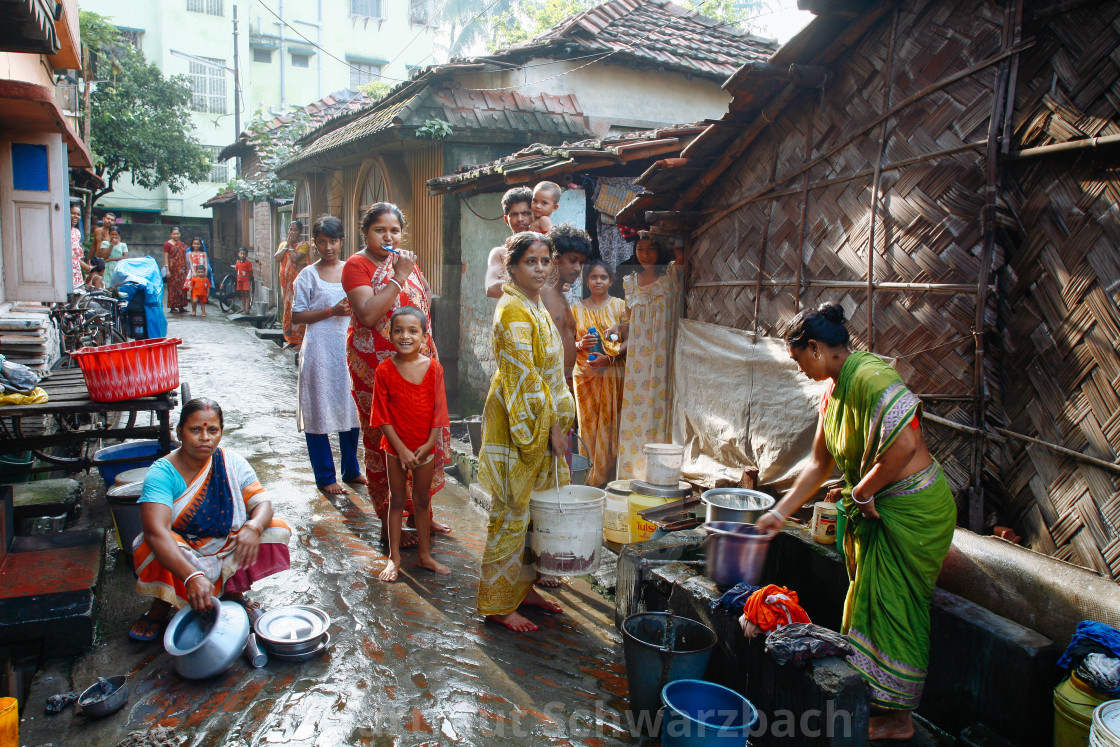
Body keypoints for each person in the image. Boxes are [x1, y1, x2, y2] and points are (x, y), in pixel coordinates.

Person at [755, 304, 956, 742]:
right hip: (883, 509)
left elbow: (905, 442)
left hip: (914, 510)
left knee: (899, 608)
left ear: (815, 348)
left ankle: (900, 720)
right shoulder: (834, 391)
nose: (799, 368)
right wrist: (778, 513)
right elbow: (818, 463)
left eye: (798, 359)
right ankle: (882, 707)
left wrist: (862, 491)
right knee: (873, 604)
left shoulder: (869, 376)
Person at [476, 232, 575, 633]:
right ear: (512, 267)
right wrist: (552, 427)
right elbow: (527, 382)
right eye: (530, 261)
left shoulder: (533, 305)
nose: (539, 268)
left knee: (534, 514)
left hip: (543, 423)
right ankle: (497, 604)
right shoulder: (513, 310)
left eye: (544, 260)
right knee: (511, 513)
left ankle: (525, 588)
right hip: (521, 426)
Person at [129, 398, 292, 641]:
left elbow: (263, 504)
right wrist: (192, 576)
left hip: (224, 542)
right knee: (147, 544)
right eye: (196, 429)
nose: (205, 437)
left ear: (220, 433)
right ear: (179, 432)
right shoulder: (162, 472)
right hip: (182, 548)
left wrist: (254, 527)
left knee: (275, 529)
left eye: (212, 430)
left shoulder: (231, 462)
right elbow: (156, 531)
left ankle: (235, 594)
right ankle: (162, 604)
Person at [342, 202, 452, 544]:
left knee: (422, 438)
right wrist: (398, 276)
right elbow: (368, 315)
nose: (388, 237)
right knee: (385, 443)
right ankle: (389, 521)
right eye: (379, 230)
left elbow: (425, 306)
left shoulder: (406, 259)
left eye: (394, 230)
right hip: (378, 370)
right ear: (365, 232)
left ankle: (424, 514)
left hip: (418, 368)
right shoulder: (356, 265)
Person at [372, 306, 452, 583]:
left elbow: (439, 411)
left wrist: (430, 442)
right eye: (398, 330)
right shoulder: (383, 370)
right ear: (390, 334)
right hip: (396, 449)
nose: (405, 336)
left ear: (424, 336)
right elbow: (381, 416)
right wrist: (402, 450)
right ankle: (394, 559)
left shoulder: (434, 369)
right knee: (395, 501)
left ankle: (424, 556)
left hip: (425, 448)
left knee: (421, 501)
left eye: (412, 331)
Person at [290, 215, 362, 496]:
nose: (328, 247)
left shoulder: (352, 271)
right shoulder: (306, 275)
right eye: (322, 241)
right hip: (319, 350)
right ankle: (324, 476)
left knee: (350, 406)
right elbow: (296, 316)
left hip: (347, 347)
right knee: (318, 409)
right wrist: (331, 311)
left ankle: (352, 470)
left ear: (341, 241)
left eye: (333, 241)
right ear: (314, 243)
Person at [612, 231, 679, 481]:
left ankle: (659, 474)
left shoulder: (671, 275)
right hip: (639, 357)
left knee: (660, 406)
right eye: (640, 248)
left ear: (660, 250)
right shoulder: (629, 282)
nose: (645, 254)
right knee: (635, 410)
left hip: (663, 352)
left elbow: (682, 255)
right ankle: (632, 473)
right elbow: (629, 322)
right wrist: (617, 331)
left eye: (651, 248)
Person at [571, 260, 628, 487]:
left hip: (612, 374)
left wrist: (611, 357)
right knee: (587, 426)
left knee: (610, 424)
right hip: (584, 375)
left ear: (611, 281)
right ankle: (589, 477)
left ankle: (608, 478)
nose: (598, 281)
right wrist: (580, 344)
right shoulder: (576, 309)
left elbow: (633, 339)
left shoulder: (620, 306)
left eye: (603, 277)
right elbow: (567, 343)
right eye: (594, 277)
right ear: (587, 280)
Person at [485, 187, 534, 299]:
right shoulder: (500, 253)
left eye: (526, 213)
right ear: (506, 219)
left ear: (534, 215)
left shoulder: (546, 250)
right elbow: (491, 289)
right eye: (514, 214)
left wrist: (508, 281)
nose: (520, 219)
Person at [275, 220, 310, 348]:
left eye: (295, 230)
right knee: (287, 310)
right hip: (286, 286)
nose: (292, 232)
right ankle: (290, 338)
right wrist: (287, 246)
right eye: (290, 229)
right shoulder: (283, 244)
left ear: (300, 232)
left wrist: (290, 247)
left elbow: (296, 258)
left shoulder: (304, 245)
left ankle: (299, 341)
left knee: (298, 308)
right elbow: (277, 258)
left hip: (297, 285)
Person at [163, 227, 189, 312]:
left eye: (177, 234)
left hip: (182, 269)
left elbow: (186, 256)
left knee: (182, 287)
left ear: (180, 234)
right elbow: (166, 257)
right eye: (174, 234)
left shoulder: (182, 244)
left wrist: (187, 268)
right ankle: (173, 307)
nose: (176, 235)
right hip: (172, 269)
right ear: (171, 234)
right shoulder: (167, 244)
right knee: (173, 287)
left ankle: (181, 306)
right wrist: (167, 269)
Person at [70, 204, 89, 290]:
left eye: (78, 214)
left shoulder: (77, 232)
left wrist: (87, 267)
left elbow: (75, 257)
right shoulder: (61, 229)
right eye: (73, 213)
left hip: (75, 270)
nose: (76, 216)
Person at [235, 247, 253, 312]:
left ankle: (247, 309)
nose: (242, 255)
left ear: (247, 255)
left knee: (247, 294)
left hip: (246, 280)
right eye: (241, 253)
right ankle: (243, 308)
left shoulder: (248, 263)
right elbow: (236, 270)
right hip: (239, 280)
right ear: (238, 254)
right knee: (242, 294)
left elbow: (250, 271)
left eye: (244, 254)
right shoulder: (237, 262)